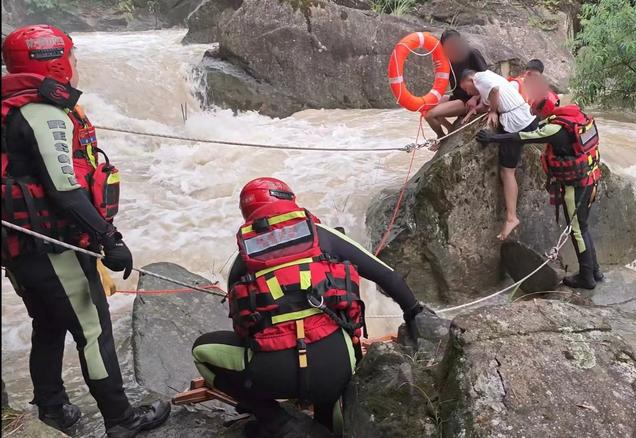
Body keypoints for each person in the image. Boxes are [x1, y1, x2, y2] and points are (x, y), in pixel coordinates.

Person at [1, 25, 170, 436]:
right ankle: (120, 418)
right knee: (93, 329)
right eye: (72, 58)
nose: (76, 66)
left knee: (48, 323)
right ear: (54, 63)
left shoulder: (11, 106)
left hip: (21, 249)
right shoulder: (43, 114)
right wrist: (109, 239)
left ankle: (53, 408)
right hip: (53, 248)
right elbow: (66, 189)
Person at [192, 177, 423, 437]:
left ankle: (278, 420)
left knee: (201, 351)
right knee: (332, 399)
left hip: (274, 376)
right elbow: (388, 276)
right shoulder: (323, 236)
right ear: (289, 200)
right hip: (335, 368)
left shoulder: (244, 258)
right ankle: (325, 420)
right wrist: (414, 313)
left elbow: (243, 323)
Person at [476, 100, 604, 288]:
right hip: (590, 179)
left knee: (576, 230)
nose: (533, 115)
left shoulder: (554, 129)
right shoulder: (576, 118)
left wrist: (492, 138)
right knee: (583, 228)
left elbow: (522, 137)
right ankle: (594, 272)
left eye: (535, 112)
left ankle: (587, 278)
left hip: (575, 187)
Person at [459, 68, 539, 240]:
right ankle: (512, 217)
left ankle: (511, 217)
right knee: (509, 169)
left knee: (507, 172)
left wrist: (493, 111)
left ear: (470, 79)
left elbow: (494, 91)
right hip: (526, 117)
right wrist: (476, 110)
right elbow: (493, 97)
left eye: (466, 89)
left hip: (517, 122)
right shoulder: (487, 77)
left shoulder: (480, 79)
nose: (468, 92)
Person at [424, 29, 488, 146]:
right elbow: (441, 86)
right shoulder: (446, 59)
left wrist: (475, 97)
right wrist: (438, 70)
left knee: (430, 114)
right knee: (424, 107)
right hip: (456, 96)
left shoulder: (472, 53)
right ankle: (449, 130)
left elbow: (488, 79)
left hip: (469, 99)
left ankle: (441, 138)